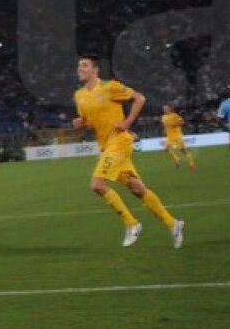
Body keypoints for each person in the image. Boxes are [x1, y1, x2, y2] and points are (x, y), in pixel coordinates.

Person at [72, 55, 184, 248]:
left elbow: (140, 98)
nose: (80, 69)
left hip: (120, 142)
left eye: (84, 65)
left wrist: (127, 122)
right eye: (79, 66)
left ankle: (132, 224)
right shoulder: (79, 96)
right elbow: (90, 123)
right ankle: (173, 223)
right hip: (107, 146)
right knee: (137, 188)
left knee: (97, 184)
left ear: (95, 70)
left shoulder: (110, 87)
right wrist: (80, 124)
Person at [160, 105, 196, 170]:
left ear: (169, 109)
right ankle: (177, 159)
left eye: (165, 108)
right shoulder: (163, 117)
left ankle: (191, 164)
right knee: (166, 149)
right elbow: (165, 126)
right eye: (163, 109)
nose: (164, 110)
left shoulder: (174, 115)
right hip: (169, 137)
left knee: (183, 151)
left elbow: (182, 122)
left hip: (177, 136)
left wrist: (175, 125)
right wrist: (164, 130)